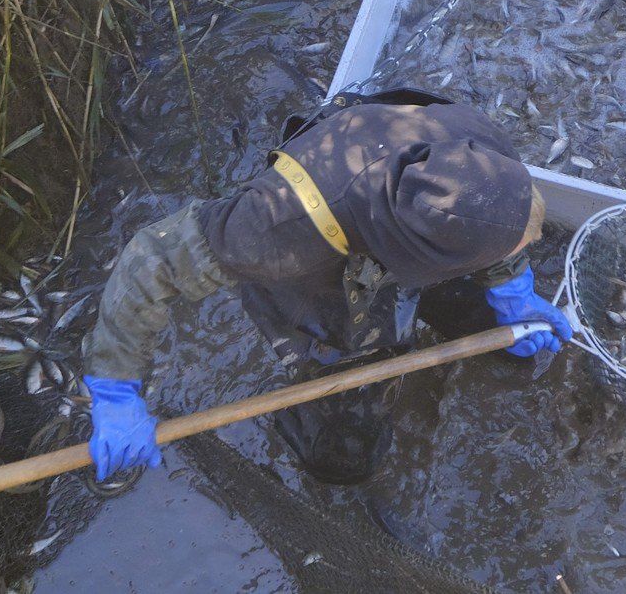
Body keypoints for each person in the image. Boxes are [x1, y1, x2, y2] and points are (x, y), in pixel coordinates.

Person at [80, 89, 573, 485]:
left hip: (395, 221)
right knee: (346, 451)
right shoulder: (271, 228)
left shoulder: (483, 150)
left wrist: (513, 286)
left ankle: (462, 301)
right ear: (422, 256)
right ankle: (317, 404)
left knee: (499, 331)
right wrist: (116, 389)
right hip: (315, 261)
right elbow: (151, 263)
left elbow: (493, 219)